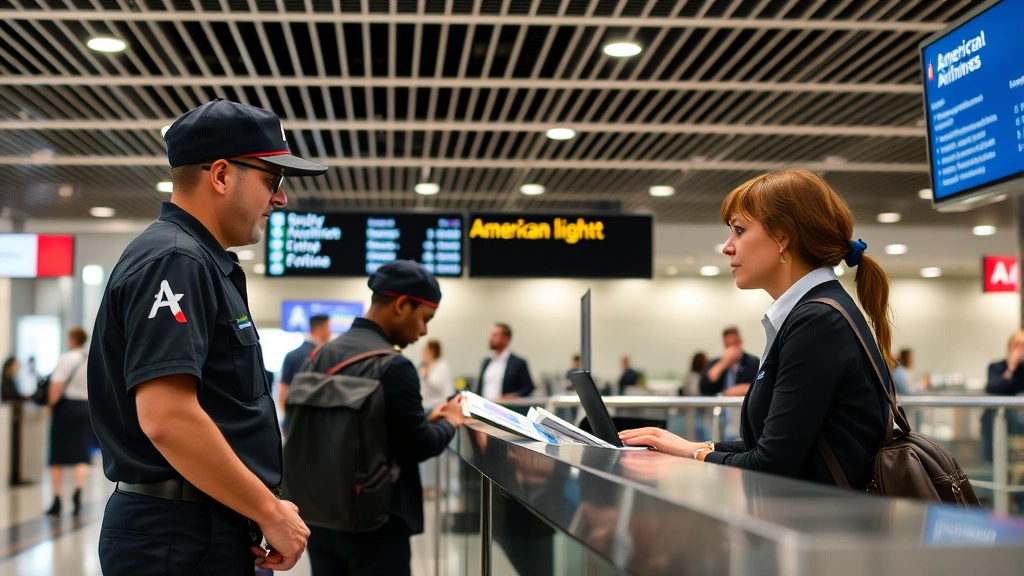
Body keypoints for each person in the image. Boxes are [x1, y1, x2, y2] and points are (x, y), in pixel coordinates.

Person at [88, 99, 327, 575]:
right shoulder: (176, 261)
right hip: (177, 534)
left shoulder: (199, 262)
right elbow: (167, 418)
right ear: (220, 175)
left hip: (202, 523)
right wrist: (269, 510)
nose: (280, 198)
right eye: (271, 179)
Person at [619, 169, 891, 490]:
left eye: (739, 230)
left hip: (824, 530)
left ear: (783, 238)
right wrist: (691, 446)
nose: (727, 247)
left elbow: (772, 463)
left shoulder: (817, 321)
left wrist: (692, 452)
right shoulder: (811, 314)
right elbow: (770, 447)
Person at [290, 260, 466, 576]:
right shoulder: (394, 366)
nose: (424, 331)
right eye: (425, 318)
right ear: (401, 305)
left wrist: (428, 418)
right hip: (376, 525)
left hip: (320, 518)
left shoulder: (320, 355)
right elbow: (417, 446)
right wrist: (451, 421)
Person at [44, 327, 92, 516]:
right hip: (85, 408)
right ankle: (78, 489)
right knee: (82, 453)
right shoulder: (91, 358)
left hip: (66, 408)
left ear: (72, 339)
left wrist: (50, 407)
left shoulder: (67, 358)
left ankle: (56, 499)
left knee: (57, 455)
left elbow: (56, 386)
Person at [981, 331, 1024, 462]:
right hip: (1000, 423)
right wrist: (1010, 370)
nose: (1020, 350)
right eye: (1017, 345)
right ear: (1009, 347)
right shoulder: (996, 367)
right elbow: (993, 387)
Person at [278, 314, 332, 413]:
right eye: (328, 327)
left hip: (295, 413)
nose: (330, 332)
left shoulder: (292, 355)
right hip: (317, 415)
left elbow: (283, 389)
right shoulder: (325, 355)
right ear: (319, 328)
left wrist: (287, 418)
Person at [477, 323, 535, 400]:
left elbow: (528, 388)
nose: (491, 339)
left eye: (495, 335)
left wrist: (511, 397)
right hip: (484, 408)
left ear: (506, 338)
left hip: (506, 407)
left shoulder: (518, 363)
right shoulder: (486, 362)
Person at [698, 327, 759, 397]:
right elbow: (704, 387)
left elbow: (756, 386)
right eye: (727, 345)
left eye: (734, 344)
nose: (731, 349)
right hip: (720, 406)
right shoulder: (716, 363)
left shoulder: (753, 363)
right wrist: (722, 364)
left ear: (740, 342)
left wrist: (731, 392)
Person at [419, 339, 454, 410]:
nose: (423, 353)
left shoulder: (441, 366)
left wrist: (426, 374)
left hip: (438, 404)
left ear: (433, 351)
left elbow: (436, 384)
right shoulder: (427, 365)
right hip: (428, 403)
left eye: (426, 350)